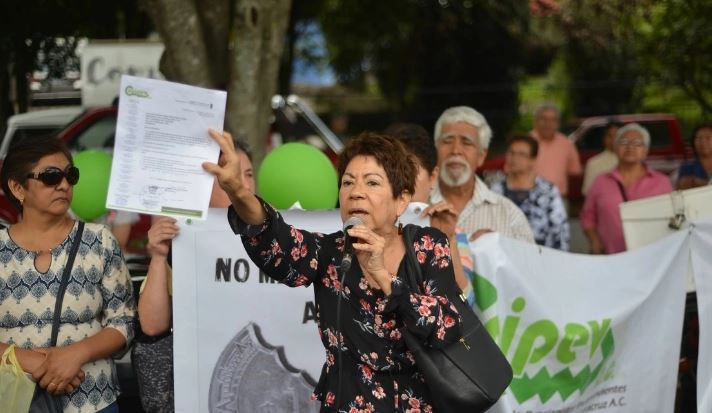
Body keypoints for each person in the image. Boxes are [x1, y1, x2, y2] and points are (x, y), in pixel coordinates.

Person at [204, 130, 463, 412]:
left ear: (401, 199)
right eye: (348, 182)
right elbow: (272, 235)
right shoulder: (329, 252)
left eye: (372, 182)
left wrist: (384, 279)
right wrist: (237, 190)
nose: (356, 192)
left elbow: (447, 325)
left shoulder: (427, 246)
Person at [0, 136, 136, 413]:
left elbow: (125, 320)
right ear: (17, 187)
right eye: (51, 177)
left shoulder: (99, 241)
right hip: (15, 402)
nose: (64, 185)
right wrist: (28, 360)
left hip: (94, 401)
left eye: (70, 175)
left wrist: (76, 354)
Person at [135, 139, 255, 412]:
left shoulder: (273, 243)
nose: (243, 186)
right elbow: (152, 327)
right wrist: (158, 257)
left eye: (248, 175)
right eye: (230, 176)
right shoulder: (181, 243)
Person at [429, 106, 534, 243]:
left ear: (481, 156)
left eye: (466, 143)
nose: (455, 150)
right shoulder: (414, 206)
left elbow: (528, 263)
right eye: (447, 141)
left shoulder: (509, 215)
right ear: (436, 149)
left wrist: (499, 246)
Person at [386, 123, 470, 292]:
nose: (400, 181)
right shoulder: (364, 225)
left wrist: (448, 239)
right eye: (391, 172)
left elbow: (466, 299)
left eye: (410, 171)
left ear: (433, 176)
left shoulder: (453, 230)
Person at [581, 123, 673, 254]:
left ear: (645, 150)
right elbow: (587, 216)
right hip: (610, 256)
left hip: (651, 255)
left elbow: (672, 219)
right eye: (624, 142)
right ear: (616, 147)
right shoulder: (601, 181)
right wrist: (594, 240)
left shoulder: (662, 182)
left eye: (637, 143)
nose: (630, 147)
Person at [490, 134, 570, 250]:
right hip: (504, 256)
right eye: (511, 153)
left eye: (521, 154)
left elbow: (560, 231)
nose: (514, 158)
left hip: (542, 257)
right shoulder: (496, 190)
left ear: (532, 160)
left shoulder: (547, 191)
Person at [530, 103, 582, 197]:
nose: (548, 124)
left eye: (553, 120)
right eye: (544, 119)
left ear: (558, 123)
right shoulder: (526, 142)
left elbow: (575, 173)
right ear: (536, 121)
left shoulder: (566, 144)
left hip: (559, 198)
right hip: (529, 197)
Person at [582, 120, 622, 195]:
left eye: (616, 135)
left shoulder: (631, 162)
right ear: (604, 139)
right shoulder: (593, 163)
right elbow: (587, 192)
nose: (613, 140)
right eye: (610, 136)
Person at [677, 123, 712, 189]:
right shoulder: (687, 168)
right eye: (698, 138)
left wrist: (705, 184)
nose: (703, 142)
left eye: (708, 138)